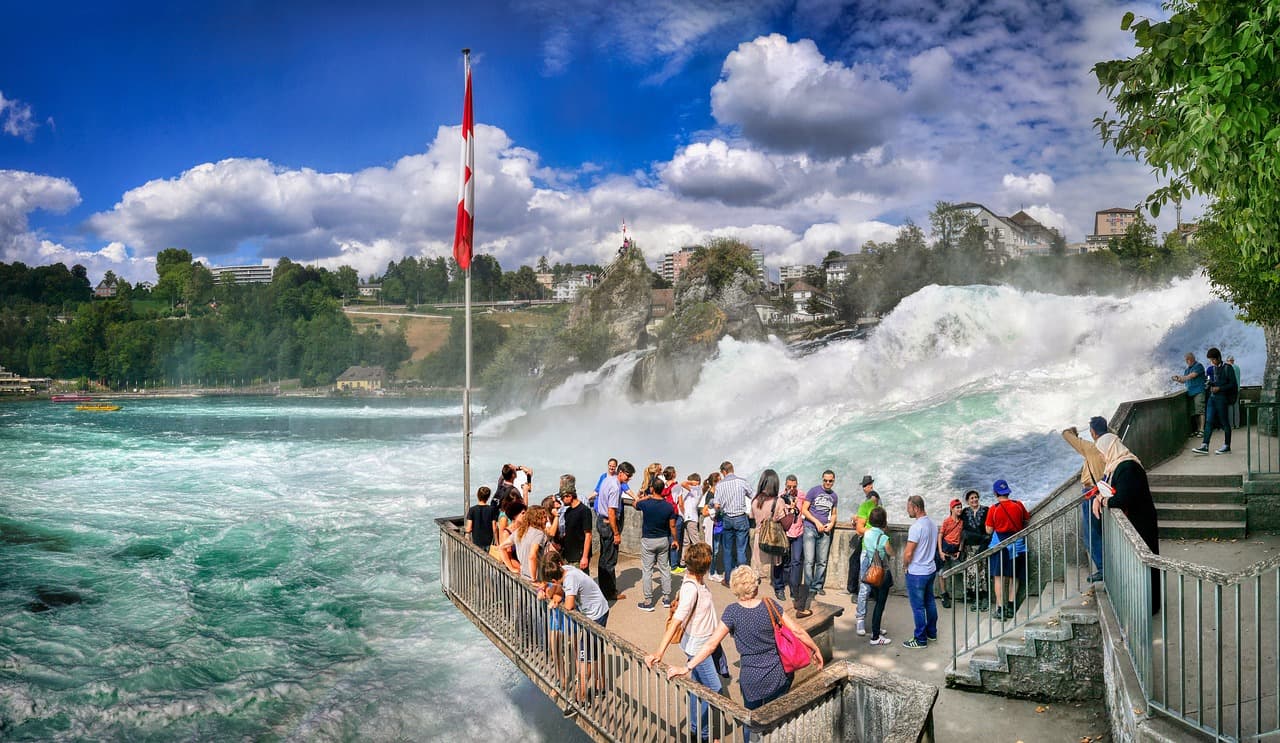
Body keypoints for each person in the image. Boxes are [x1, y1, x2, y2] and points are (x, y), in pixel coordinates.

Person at [667, 565, 823, 742]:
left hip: (751, 679)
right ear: (755, 586)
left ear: (735, 588)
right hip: (779, 673)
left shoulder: (732, 612)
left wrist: (687, 666)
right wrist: (814, 649)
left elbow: (711, 644)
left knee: (751, 720)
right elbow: (797, 631)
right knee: (776, 718)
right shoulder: (769, 604)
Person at [644, 543, 720, 742]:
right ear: (704, 566)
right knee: (714, 688)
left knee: (698, 686)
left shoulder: (696, 580)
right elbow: (676, 621)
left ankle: (696, 730)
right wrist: (659, 652)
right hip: (699, 647)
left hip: (702, 642)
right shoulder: (691, 589)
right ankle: (703, 734)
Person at [1093, 432, 1162, 613]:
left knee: (1144, 563)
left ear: (1109, 449)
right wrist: (1100, 497)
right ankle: (1143, 603)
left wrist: (1105, 501)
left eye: (1101, 451)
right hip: (1137, 519)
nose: (1101, 455)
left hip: (1141, 522)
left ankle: (1148, 606)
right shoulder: (1118, 465)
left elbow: (1123, 498)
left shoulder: (1127, 467)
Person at [543, 553, 610, 710]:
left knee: (583, 658)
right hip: (600, 610)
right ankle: (601, 686)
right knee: (595, 652)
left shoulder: (570, 580)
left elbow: (569, 605)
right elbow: (559, 593)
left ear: (553, 580)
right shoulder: (565, 570)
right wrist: (556, 598)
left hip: (594, 616)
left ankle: (580, 698)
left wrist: (556, 598)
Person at [1063, 418, 1108, 581]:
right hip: (1105, 492)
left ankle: (1102, 568)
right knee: (1100, 532)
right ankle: (1104, 566)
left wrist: (1073, 430)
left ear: (1093, 433)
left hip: (1091, 493)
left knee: (1091, 534)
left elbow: (1066, 435)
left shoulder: (1090, 448)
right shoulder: (1110, 445)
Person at [985, 479, 1030, 621]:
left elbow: (989, 530)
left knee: (998, 577)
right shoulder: (1018, 505)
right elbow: (1026, 519)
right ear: (1008, 492)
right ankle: (1011, 605)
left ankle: (1000, 608)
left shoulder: (994, 508)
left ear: (995, 493)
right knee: (1014, 576)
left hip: (1000, 546)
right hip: (1017, 544)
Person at [798, 470, 838, 616]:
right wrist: (816, 522)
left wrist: (831, 524)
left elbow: (833, 514)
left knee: (822, 561)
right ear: (822, 479)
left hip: (825, 531)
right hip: (810, 528)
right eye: (826, 480)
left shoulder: (834, 496)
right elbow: (804, 509)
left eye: (830, 481)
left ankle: (816, 587)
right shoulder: (814, 491)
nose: (828, 483)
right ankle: (808, 587)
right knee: (809, 561)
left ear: (834, 481)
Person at [635, 479, 679, 611]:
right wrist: (675, 540)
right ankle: (666, 598)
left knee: (647, 570)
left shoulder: (646, 504)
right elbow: (672, 526)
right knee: (664, 568)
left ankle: (648, 601)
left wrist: (645, 495)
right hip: (663, 540)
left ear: (652, 489)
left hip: (648, 539)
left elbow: (635, 504)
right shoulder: (668, 506)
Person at [901, 495, 938, 648]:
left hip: (917, 573)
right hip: (930, 569)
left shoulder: (916, 527)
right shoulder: (933, 524)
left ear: (915, 508)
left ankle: (920, 639)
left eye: (908, 507)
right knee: (930, 602)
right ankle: (932, 632)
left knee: (918, 607)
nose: (907, 510)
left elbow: (908, 553)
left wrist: (904, 565)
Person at [594, 460, 634, 601]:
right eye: (627, 476)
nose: (628, 479)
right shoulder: (616, 487)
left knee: (603, 558)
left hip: (601, 520)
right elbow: (612, 512)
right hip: (608, 523)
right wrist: (616, 533)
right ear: (621, 472)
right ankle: (610, 592)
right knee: (610, 560)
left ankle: (603, 588)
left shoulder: (607, 479)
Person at [713, 461, 753, 583]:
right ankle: (742, 579)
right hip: (741, 517)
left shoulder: (720, 485)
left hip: (727, 519)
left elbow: (716, 505)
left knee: (727, 550)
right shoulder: (742, 481)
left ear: (724, 471)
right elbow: (753, 496)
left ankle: (728, 578)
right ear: (732, 469)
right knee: (741, 550)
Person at [1193, 347, 1238, 455]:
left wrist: (1220, 388)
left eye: (1213, 359)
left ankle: (1227, 446)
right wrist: (1210, 385)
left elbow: (1232, 384)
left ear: (1218, 358)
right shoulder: (1212, 369)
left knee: (1224, 422)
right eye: (1210, 360)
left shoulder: (1228, 368)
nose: (1212, 362)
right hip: (1212, 398)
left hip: (1222, 398)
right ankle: (1205, 445)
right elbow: (1213, 382)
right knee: (1208, 422)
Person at [852, 476, 880, 634]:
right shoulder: (864, 506)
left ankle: (876, 623)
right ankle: (860, 620)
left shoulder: (879, 509)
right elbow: (859, 528)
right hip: (866, 551)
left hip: (878, 553)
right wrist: (874, 532)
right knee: (864, 587)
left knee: (877, 589)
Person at [863, 506, 895, 645]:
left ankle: (876, 628)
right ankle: (875, 637)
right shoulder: (883, 538)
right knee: (880, 605)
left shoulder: (867, 534)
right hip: (883, 574)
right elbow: (891, 553)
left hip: (872, 573)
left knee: (876, 602)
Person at [848, 475, 879, 596]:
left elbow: (867, 518)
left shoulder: (871, 499)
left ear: (869, 486)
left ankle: (855, 590)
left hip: (868, 537)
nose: (864, 488)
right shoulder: (875, 499)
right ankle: (870, 592)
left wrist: (857, 520)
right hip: (873, 537)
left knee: (857, 561)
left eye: (865, 486)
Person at [750, 469, 785, 576]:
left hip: (758, 539)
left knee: (757, 573)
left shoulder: (755, 500)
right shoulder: (778, 501)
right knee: (775, 570)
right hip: (772, 540)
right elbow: (783, 519)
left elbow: (752, 516)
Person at [776, 475, 804, 604]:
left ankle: (795, 589)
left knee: (796, 561)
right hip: (785, 533)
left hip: (798, 532)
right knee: (782, 562)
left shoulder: (802, 495)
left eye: (794, 486)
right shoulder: (781, 497)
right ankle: (780, 588)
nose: (792, 489)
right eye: (789, 486)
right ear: (785, 485)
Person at [960, 489, 989, 611]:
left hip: (982, 547)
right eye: (971, 498)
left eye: (976, 497)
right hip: (969, 549)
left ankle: (984, 599)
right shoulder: (964, 512)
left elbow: (989, 528)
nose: (974, 500)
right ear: (967, 501)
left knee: (983, 573)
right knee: (972, 574)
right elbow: (959, 526)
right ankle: (975, 599)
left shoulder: (986, 510)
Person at [558, 477, 593, 574]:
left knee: (581, 584)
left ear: (569, 496)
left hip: (579, 556)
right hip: (568, 556)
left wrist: (585, 557)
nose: (562, 501)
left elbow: (588, 535)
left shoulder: (584, 511)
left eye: (562, 498)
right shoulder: (568, 512)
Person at [936, 498, 964, 608]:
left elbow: (962, 537)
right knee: (942, 573)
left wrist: (959, 550)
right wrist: (940, 551)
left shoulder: (961, 522)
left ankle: (963, 593)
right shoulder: (947, 521)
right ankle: (944, 594)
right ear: (951, 509)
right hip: (945, 550)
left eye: (960, 507)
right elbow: (940, 535)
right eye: (957, 507)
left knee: (960, 570)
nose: (960, 509)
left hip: (955, 551)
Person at [1173, 352, 1207, 436]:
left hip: (1199, 391)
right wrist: (1177, 379)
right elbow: (1184, 380)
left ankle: (1202, 430)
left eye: (1187, 359)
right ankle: (1198, 429)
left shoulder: (1199, 366)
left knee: (1200, 411)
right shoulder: (1187, 370)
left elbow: (1192, 376)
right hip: (1191, 393)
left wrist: (1182, 377)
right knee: (1195, 412)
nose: (1186, 361)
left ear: (1190, 359)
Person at [514, 505, 550, 581]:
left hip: (523, 575)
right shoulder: (539, 533)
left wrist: (512, 568)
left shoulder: (521, 531)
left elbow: (502, 547)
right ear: (537, 518)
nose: (547, 520)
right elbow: (532, 556)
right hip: (536, 577)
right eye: (544, 517)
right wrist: (534, 579)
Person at [663, 466, 687, 573]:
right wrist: (684, 514)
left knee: (666, 540)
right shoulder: (677, 486)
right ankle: (674, 566)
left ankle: (666, 563)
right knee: (674, 540)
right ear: (673, 474)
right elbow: (680, 503)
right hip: (675, 516)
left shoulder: (662, 486)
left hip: (664, 516)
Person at [465, 486, 494, 550]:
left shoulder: (472, 510)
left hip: (477, 541)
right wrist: (497, 541)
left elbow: (469, 528)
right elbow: (494, 527)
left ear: (477, 495)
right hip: (489, 541)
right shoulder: (491, 509)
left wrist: (466, 533)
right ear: (488, 497)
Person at [1227, 356, 1242, 428]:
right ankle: (1237, 424)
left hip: (1230, 390)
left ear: (1228, 361)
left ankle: (1231, 425)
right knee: (1236, 407)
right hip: (1237, 389)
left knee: (1230, 407)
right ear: (1233, 360)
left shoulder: (1228, 368)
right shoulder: (1237, 367)